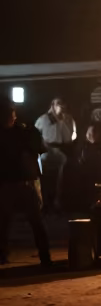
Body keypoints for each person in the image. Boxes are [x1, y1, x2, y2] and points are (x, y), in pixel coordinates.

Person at [0, 100, 52, 268]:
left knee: (35, 221)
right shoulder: (25, 131)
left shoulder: (26, 131)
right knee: (4, 222)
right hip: (10, 183)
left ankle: (45, 256)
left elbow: (40, 149)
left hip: (25, 182)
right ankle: (3, 255)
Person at [34, 97, 75, 212]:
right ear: (52, 105)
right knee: (43, 178)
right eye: (58, 104)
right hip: (45, 151)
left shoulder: (66, 120)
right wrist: (42, 145)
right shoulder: (43, 119)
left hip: (58, 151)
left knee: (59, 178)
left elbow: (68, 139)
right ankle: (43, 202)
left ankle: (57, 202)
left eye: (62, 104)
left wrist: (62, 122)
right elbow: (35, 134)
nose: (60, 106)